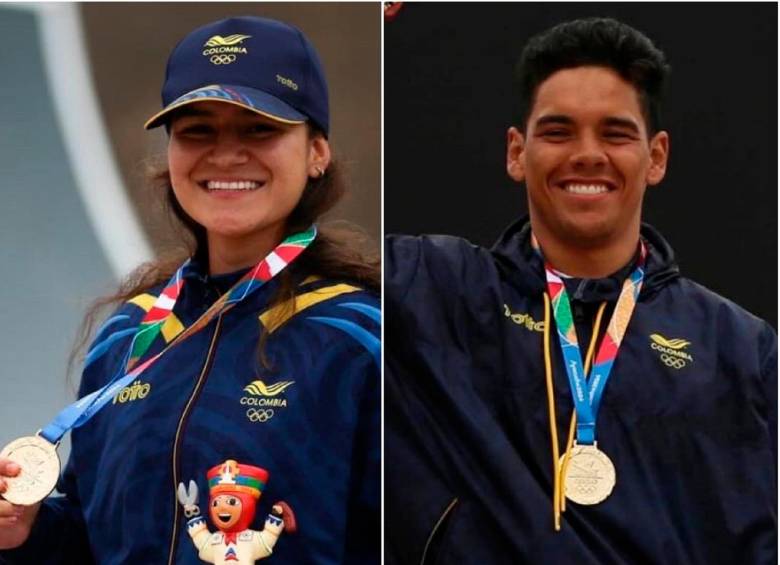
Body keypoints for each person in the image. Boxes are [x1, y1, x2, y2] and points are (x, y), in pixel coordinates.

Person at [385, 17, 776, 565]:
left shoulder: (741, 348)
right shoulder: (435, 292)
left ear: (656, 156)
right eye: (558, 131)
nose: (587, 154)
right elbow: (286, 242)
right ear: (516, 152)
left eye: (615, 133)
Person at [0, 16, 379, 564]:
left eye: (259, 128)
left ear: (316, 151)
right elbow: (93, 537)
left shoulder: (361, 339)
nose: (225, 154)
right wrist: (25, 533)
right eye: (197, 130)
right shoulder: (130, 334)